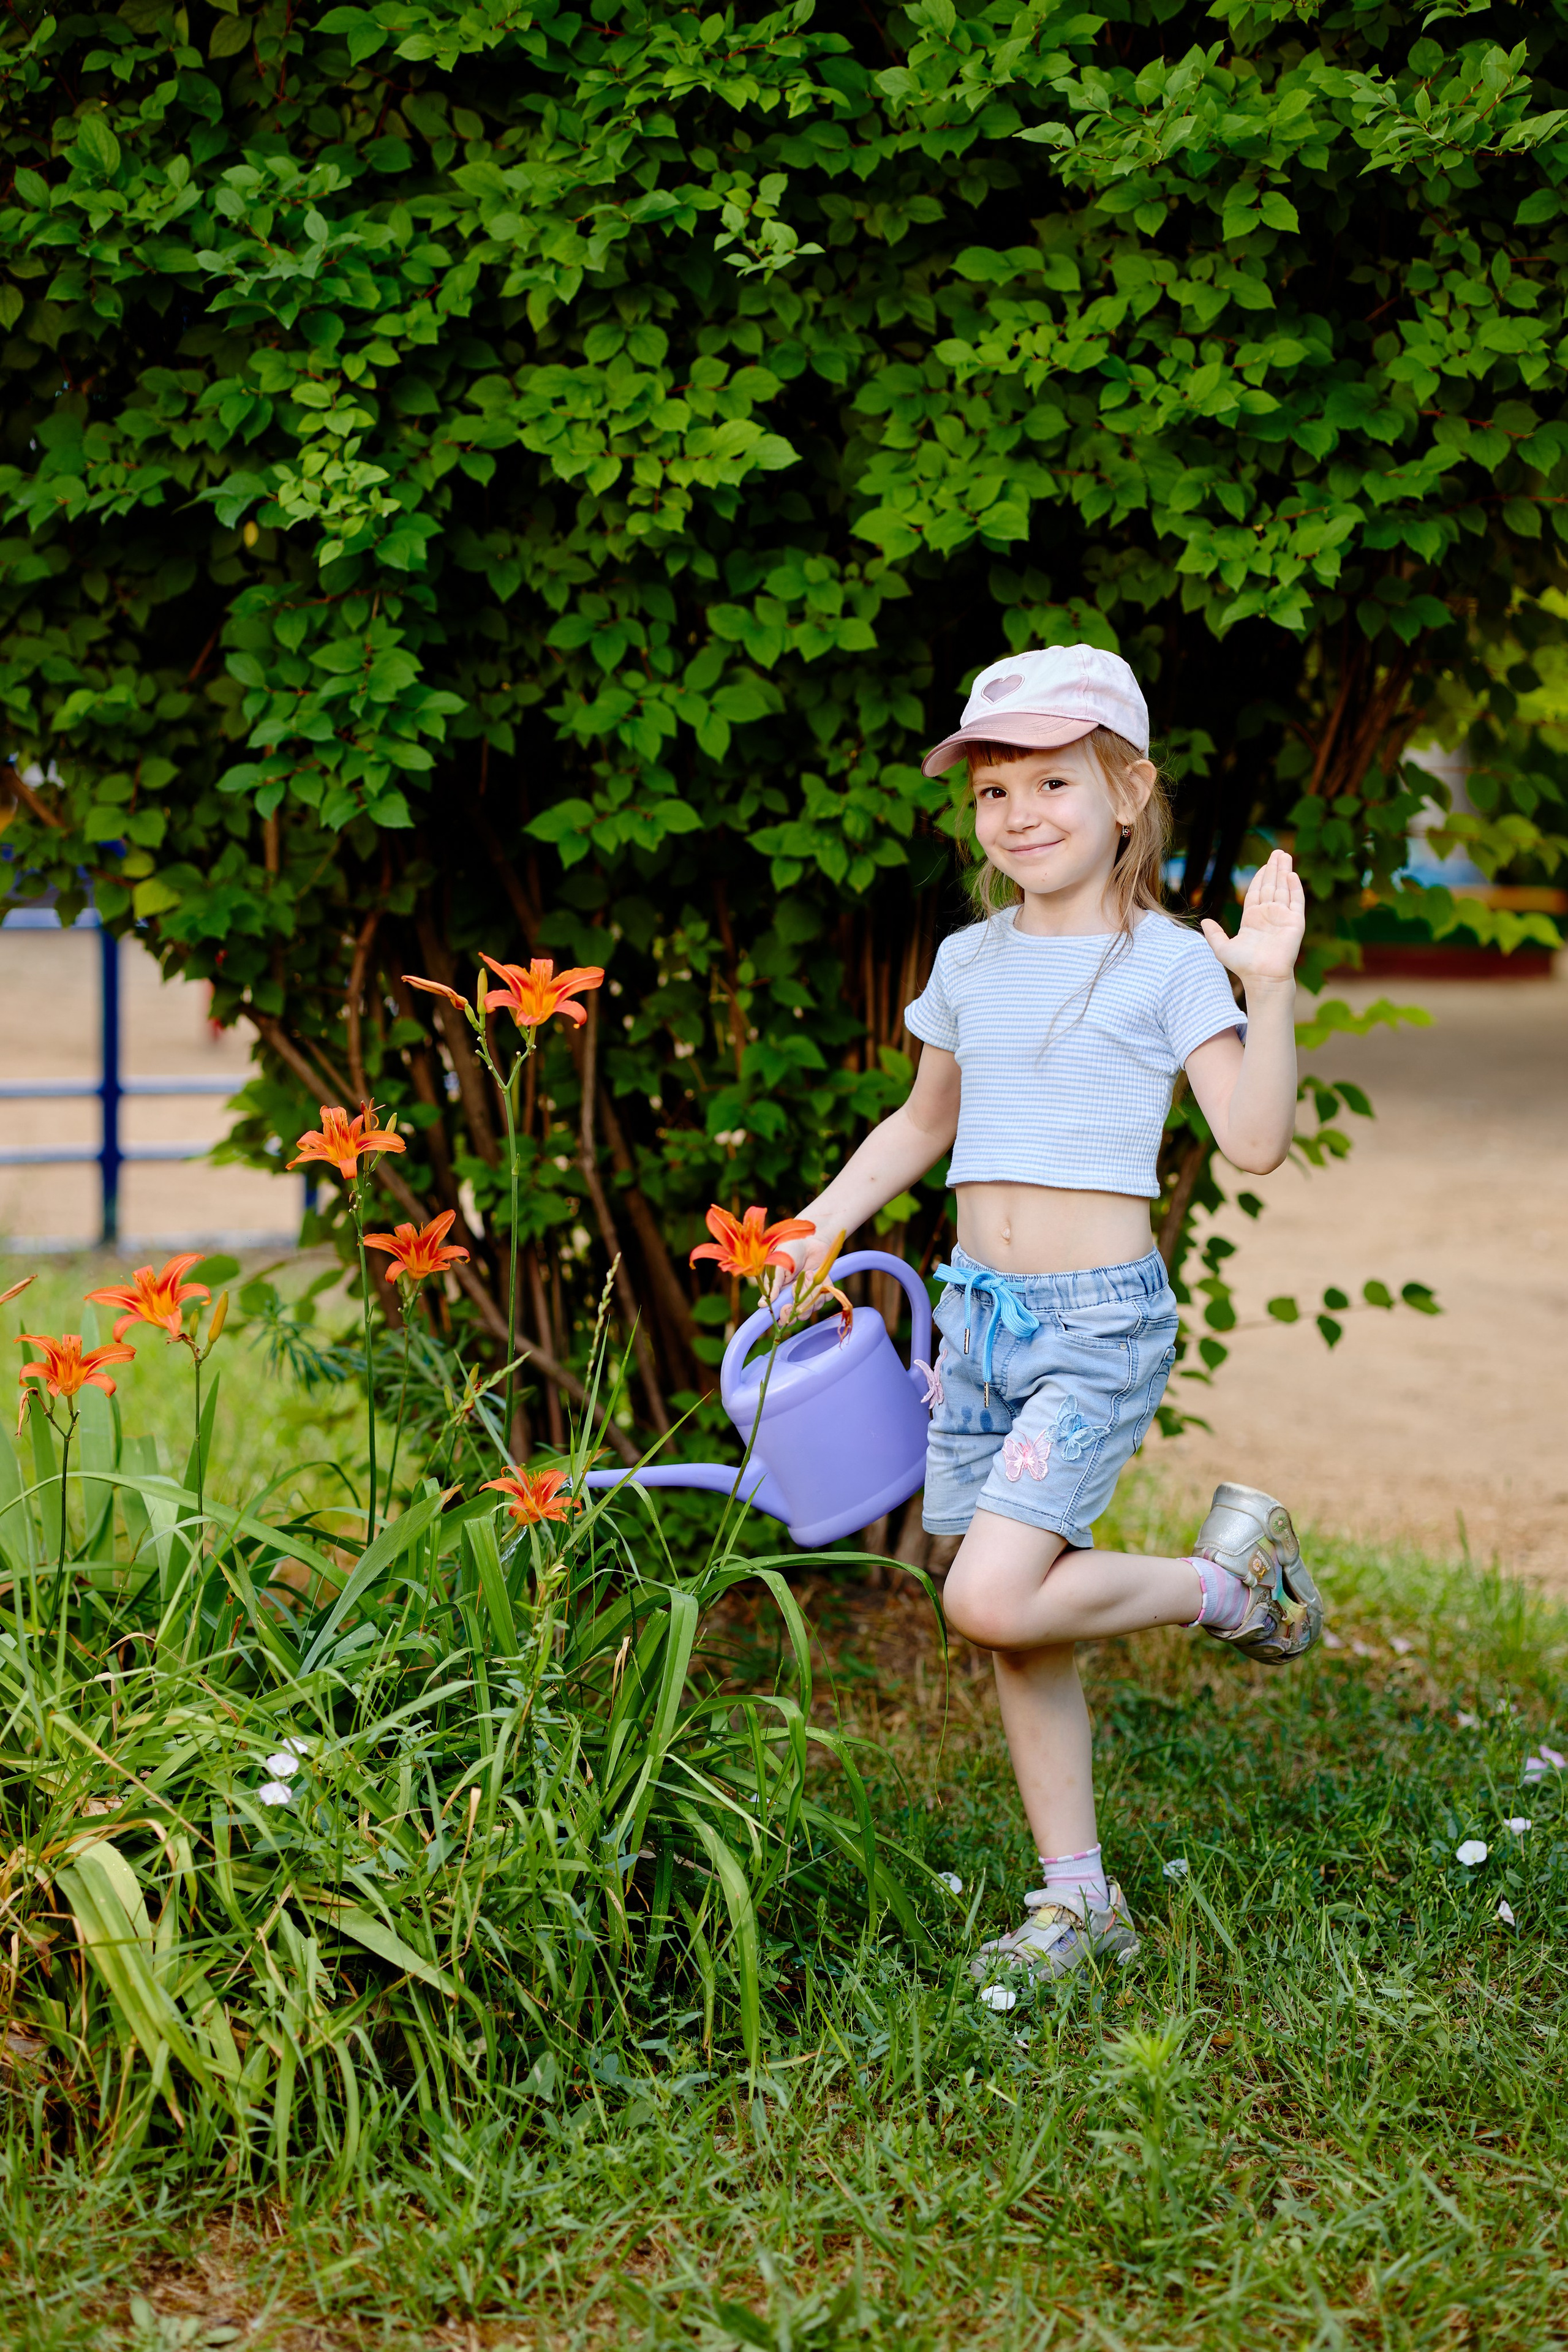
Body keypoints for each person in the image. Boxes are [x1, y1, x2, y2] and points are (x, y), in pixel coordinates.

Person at [781, 644, 1322, 1989]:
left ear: (1126, 791)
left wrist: (1266, 982)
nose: (1018, 814)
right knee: (1017, 1621)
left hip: (1093, 1328)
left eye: (1051, 783)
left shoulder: (1162, 968)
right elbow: (923, 1122)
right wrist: (823, 1224)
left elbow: (1251, 1141)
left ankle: (1222, 1586)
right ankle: (1078, 1904)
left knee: (986, 1594)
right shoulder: (968, 959)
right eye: (992, 792)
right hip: (975, 1325)